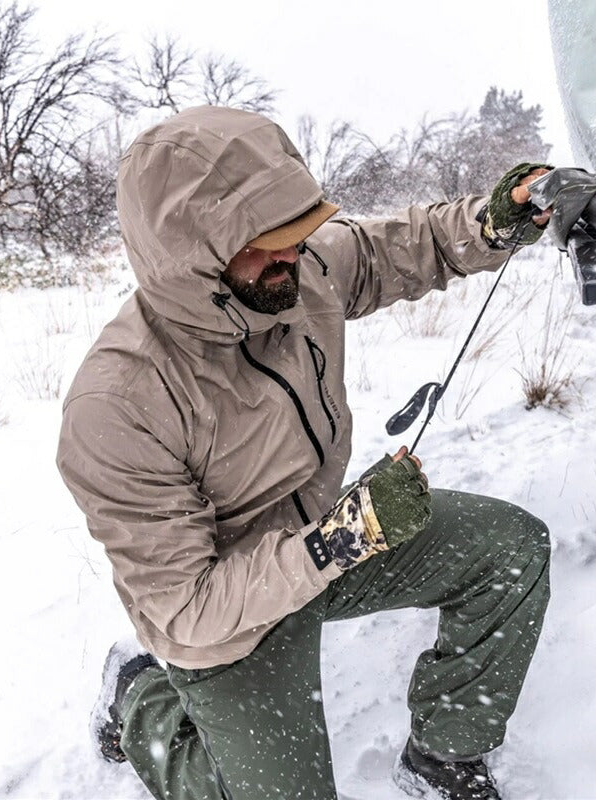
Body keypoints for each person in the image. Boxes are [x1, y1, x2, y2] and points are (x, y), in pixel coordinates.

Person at [56, 105, 552, 800]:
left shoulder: (292, 269)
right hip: (231, 614)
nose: (294, 254)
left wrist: (491, 222)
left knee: (510, 551)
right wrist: (340, 541)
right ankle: (143, 702)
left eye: (298, 233)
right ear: (192, 255)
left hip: (331, 535)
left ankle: (445, 754)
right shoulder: (116, 408)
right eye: (267, 243)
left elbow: (396, 248)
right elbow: (187, 605)